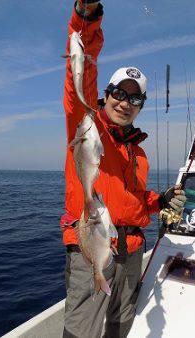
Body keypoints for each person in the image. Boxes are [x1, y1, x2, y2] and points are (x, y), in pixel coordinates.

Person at [60, 1, 186, 337]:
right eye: (118, 93)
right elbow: (79, 76)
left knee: (121, 322)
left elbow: (134, 199)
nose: (124, 102)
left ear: (140, 106)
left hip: (132, 251)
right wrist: (86, 15)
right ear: (105, 95)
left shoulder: (139, 152)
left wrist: (160, 201)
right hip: (93, 243)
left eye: (135, 98)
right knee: (82, 329)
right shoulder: (86, 122)